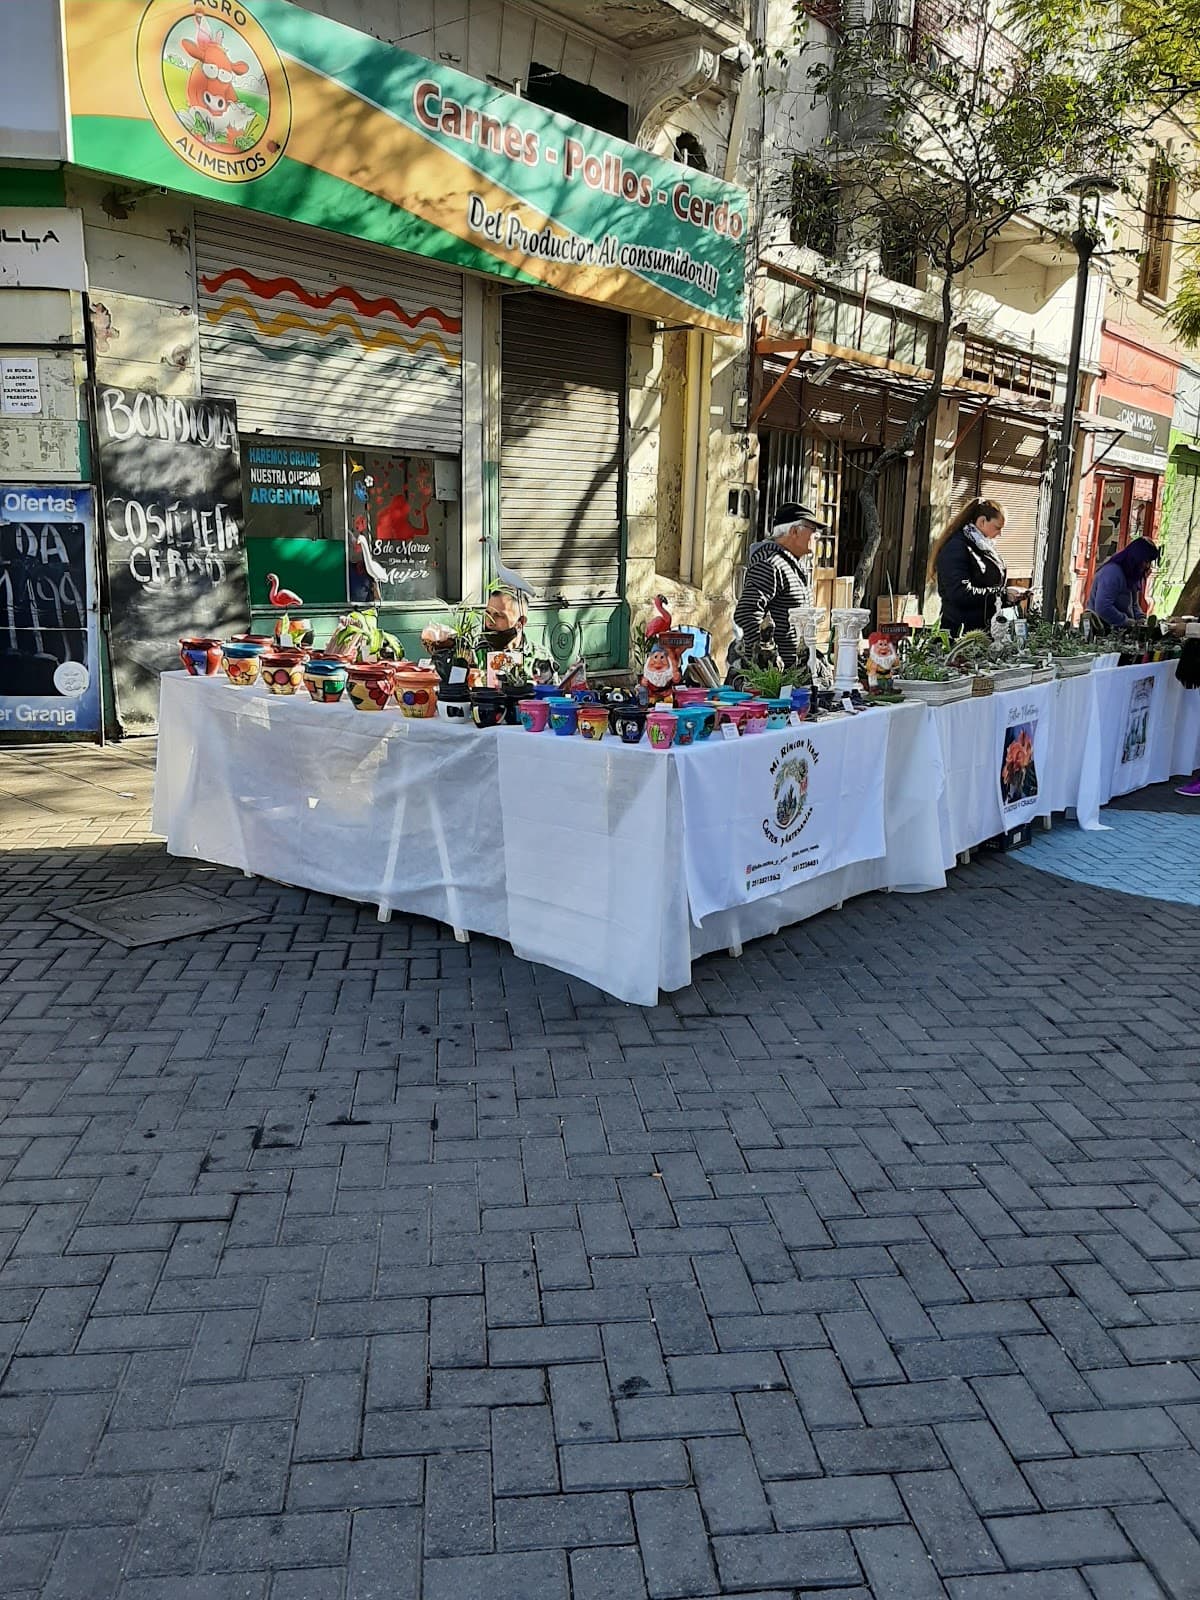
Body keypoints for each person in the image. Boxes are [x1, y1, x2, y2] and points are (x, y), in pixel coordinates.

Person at [730, 501, 825, 676]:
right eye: (813, 530)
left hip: (794, 670)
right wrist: (766, 659)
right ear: (794, 531)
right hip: (775, 676)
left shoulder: (792, 565)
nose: (817, 536)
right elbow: (747, 612)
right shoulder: (770, 563)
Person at [931, 498, 1011, 634]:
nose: (1000, 534)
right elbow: (960, 593)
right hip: (961, 632)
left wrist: (1007, 596)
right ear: (982, 521)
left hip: (981, 629)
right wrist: (1002, 595)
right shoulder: (957, 547)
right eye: (997, 528)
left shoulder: (982, 546)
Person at [1086, 536, 1161, 629]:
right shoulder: (1112, 573)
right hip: (1101, 629)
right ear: (1136, 558)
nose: (1147, 566)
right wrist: (1126, 621)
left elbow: (1133, 605)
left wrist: (1141, 619)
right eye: (1146, 561)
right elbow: (1103, 608)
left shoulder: (1130, 574)